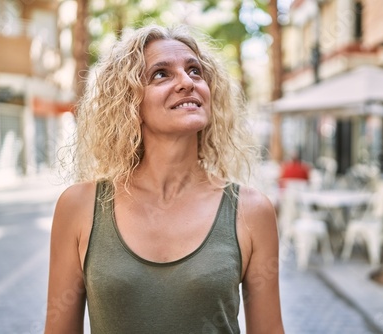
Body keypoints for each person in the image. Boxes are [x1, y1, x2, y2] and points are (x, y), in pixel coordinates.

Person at [44, 24, 284, 333]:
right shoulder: (79, 207)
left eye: (195, 71)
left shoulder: (252, 211)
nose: (187, 82)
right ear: (130, 102)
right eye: (161, 74)